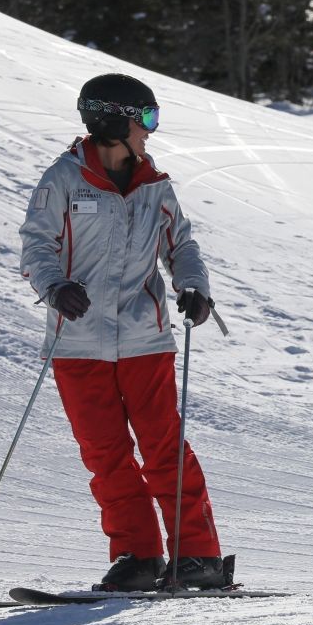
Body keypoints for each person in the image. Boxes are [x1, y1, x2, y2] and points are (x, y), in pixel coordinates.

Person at [19, 72, 227, 591]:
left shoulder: (155, 184)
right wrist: (55, 285)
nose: (151, 132)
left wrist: (194, 286)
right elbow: (36, 246)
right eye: (147, 119)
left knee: (163, 445)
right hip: (78, 341)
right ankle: (138, 555)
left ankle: (197, 556)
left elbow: (182, 245)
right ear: (114, 120)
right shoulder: (63, 180)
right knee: (105, 453)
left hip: (144, 338)